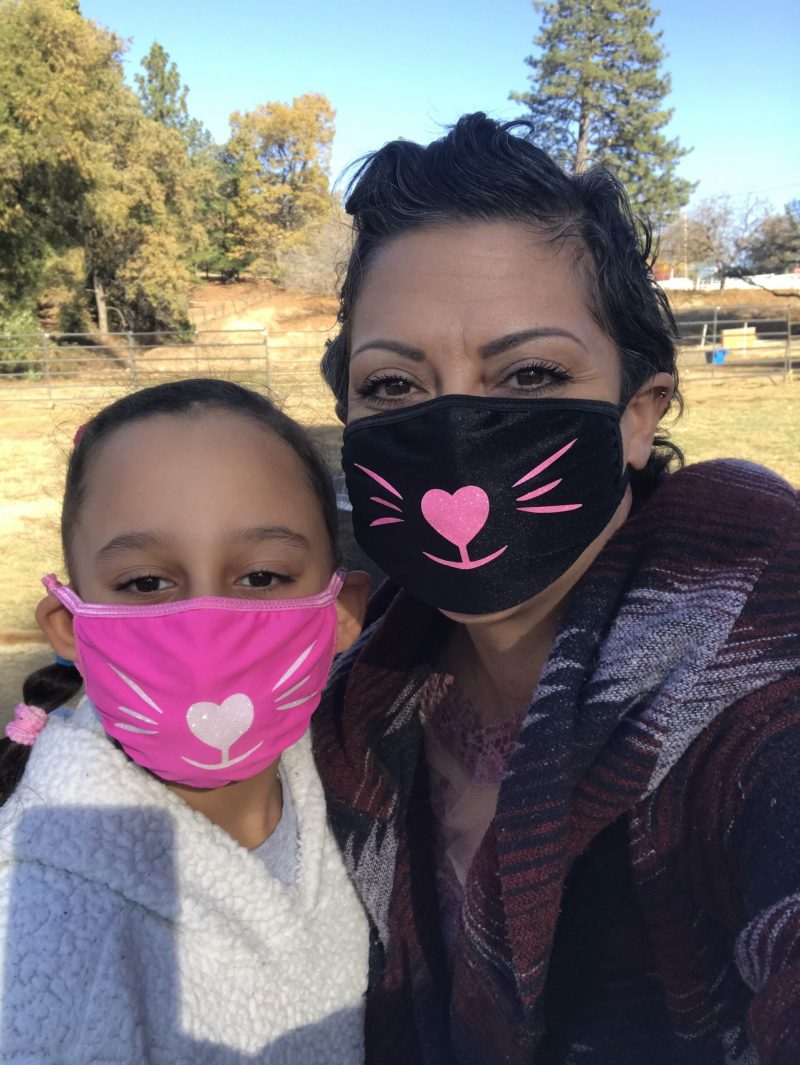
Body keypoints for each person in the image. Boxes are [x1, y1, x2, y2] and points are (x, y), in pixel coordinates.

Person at [314, 114, 800, 1064]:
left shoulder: (760, 680)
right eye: (393, 387)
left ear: (636, 412)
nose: (456, 441)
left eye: (531, 373)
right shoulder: (353, 708)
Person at [0, 379, 371, 1063]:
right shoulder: (39, 922)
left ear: (342, 609)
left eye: (261, 576)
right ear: (70, 628)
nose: (206, 633)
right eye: (146, 583)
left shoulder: (355, 782)